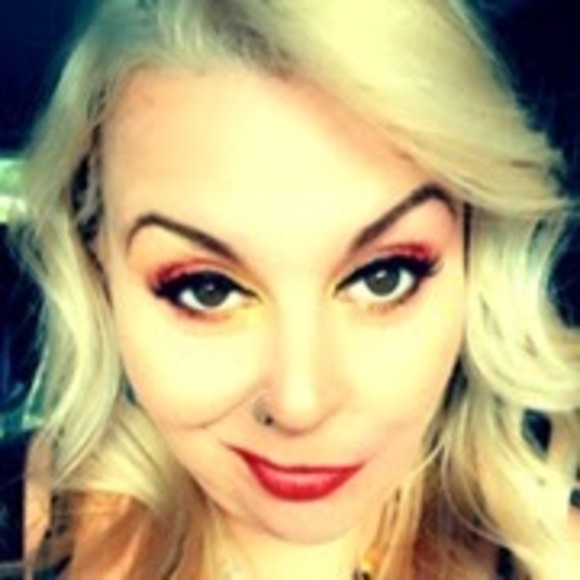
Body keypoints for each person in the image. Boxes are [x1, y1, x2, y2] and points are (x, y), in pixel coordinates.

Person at [3, 0, 579, 577]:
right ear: (98, 265)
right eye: (207, 289)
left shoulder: (552, 557)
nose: (301, 404)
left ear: (473, 256)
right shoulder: (34, 520)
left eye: (384, 277)